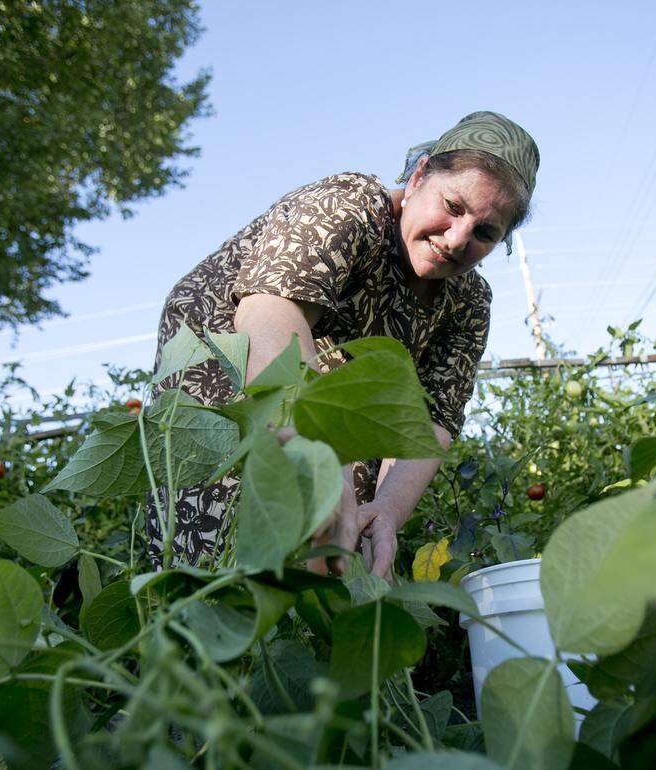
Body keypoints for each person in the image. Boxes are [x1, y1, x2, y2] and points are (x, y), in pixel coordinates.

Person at [148, 111, 539, 578]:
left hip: (324, 383)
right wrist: (321, 458)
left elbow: (431, 420)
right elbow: (270, 314)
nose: (457, 240)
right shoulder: (348, 206)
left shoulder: (469, 303)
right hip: (227, 357)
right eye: (453, 207)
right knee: (221, 531)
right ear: (418, 178)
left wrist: (387, 511)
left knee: (341, 537)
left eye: (485, 232)